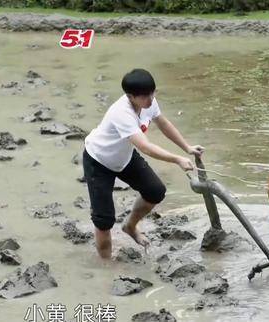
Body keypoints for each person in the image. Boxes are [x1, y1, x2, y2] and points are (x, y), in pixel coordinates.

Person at [82, 68, 204, 259]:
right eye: (145, 97)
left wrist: (186, 147)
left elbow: (163, 123)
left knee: (155, 191)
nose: (150, 99)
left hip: (124, 157)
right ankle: (106, 268)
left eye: (152, 94)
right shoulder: (121, 113)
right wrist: (177, 159)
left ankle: (130, 226)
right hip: (99, 160)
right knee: (104, 220)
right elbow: (145, 147)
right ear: (130, 96)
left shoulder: (149, 102)